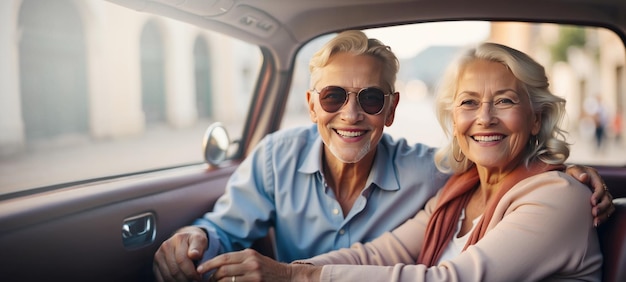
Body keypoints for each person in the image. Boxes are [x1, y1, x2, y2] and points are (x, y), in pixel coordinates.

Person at [154, 31, 613, 282]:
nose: (485, 119)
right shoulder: (458, 189)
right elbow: (381, 253)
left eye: (507, 102)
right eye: (469, 102)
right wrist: (278, 272)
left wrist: (568, 175)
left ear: (536, 119)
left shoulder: (550, 194)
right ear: (312, 104)